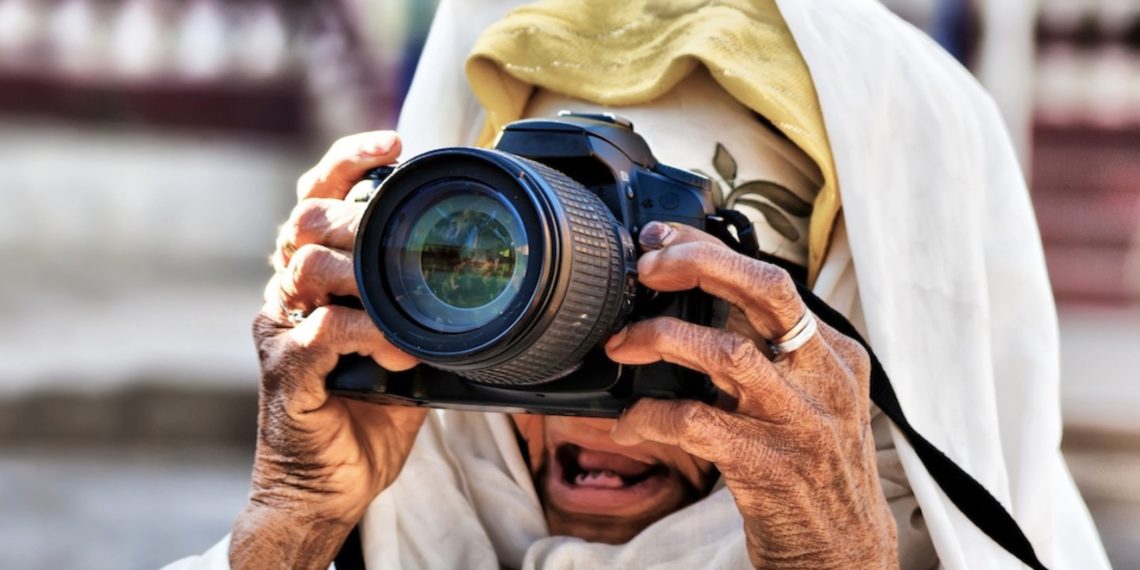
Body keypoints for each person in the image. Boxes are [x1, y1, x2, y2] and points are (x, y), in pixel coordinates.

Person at [168, 0, 1109, 568]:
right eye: (507, 272)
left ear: (860, 330)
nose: (594, 389)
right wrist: (289, 528)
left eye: (688, 302)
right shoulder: (387, 517)